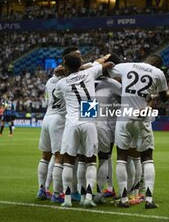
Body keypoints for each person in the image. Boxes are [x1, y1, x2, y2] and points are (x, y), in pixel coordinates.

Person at [108, 54, 169, 209]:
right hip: (143, 119)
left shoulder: (127, 66)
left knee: (121, 157)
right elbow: (164, 98)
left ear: (146, 59)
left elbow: (108, 70)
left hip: (124, 118)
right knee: (147, 158)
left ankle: (124, 199)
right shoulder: (158, 73)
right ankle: (149, 199)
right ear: (158, 65)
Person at [54, 53, 114, 207]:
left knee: (68, 161)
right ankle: (87, 197)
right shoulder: (89, 72)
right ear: (79, 65)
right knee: (91, 162)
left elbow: (57, 96)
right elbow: (109, 65)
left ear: (66, 67)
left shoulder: (62, 83)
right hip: (89, 118)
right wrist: (87, 67)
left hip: (72, 122)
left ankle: (67, 199)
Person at [93, 53, 122, 204]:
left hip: (87, 124)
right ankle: (100, 192)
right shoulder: (112, 84)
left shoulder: (88, 80)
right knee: (105, 158)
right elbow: (131, 95)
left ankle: (81, 192)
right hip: (105, 126)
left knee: (88, 161)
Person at [37, 69, 66, 202]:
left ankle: (42, 189)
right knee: (59, 156)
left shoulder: (50, 81)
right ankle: (57, 193)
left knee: (45, 156)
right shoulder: (66, 82)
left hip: (47, 118)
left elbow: (57, 70)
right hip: (58, 120)